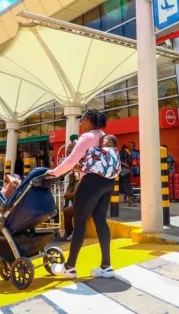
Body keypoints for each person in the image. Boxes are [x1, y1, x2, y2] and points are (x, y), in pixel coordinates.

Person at [48, 109, 116, 280]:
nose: (80, 124)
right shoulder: (103, 135)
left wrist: (53, 173)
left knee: (79, 223)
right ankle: (106, 267)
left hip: (91, 183)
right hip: (107, 182)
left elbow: (70, 159)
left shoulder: (87, 137)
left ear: (87, 120)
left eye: (81, 120)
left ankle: (69, 267)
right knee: (100, 220)